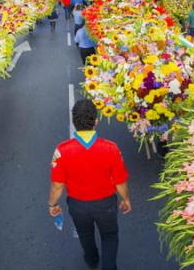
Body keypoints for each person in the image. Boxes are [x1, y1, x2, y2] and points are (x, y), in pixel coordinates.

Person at [48, 99, 131, 270]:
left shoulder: (62, 150)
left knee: (85, 234)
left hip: (78, 206)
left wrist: (53, 204)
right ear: (96, 120)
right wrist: (125, 199)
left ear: (74, 122)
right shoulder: (111, 148)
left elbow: (57, 186)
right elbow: (120, 182)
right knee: (109, 236)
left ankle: (92, 260)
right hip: (106, 204)